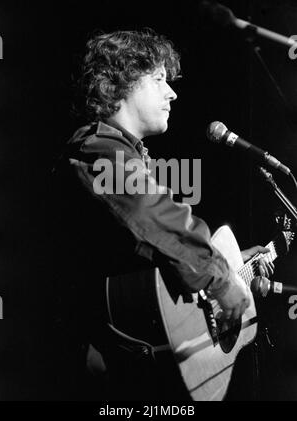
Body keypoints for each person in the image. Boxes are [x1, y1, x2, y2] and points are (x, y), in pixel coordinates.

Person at [52, 28, 274, 400]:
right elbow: (153, 215)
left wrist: (233, 267)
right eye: (158, 80)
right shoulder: (96, 151)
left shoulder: (126, 155)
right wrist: (220, 278)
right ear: (119, 84)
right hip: (103, 375)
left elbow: (151, 261)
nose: (172, 92)